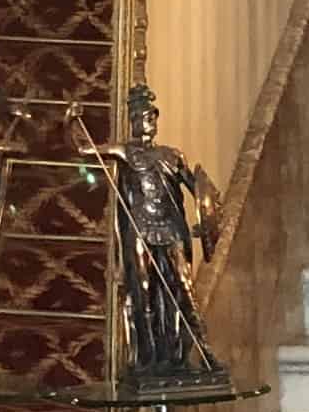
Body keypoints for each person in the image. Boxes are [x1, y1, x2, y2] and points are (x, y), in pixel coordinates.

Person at [82, 86, 224, 387]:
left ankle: (195, 353)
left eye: (147, 116)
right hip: (141, 229)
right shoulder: (124, 151)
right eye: (137, 116)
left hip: (170, 227)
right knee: (143, 289)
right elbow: (86, 150)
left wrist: (204, 223)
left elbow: (198, 190)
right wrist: (73, 121)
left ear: (155, 119)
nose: (144, 121)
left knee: (183, 288)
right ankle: (147, 358)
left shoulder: (172, 155)